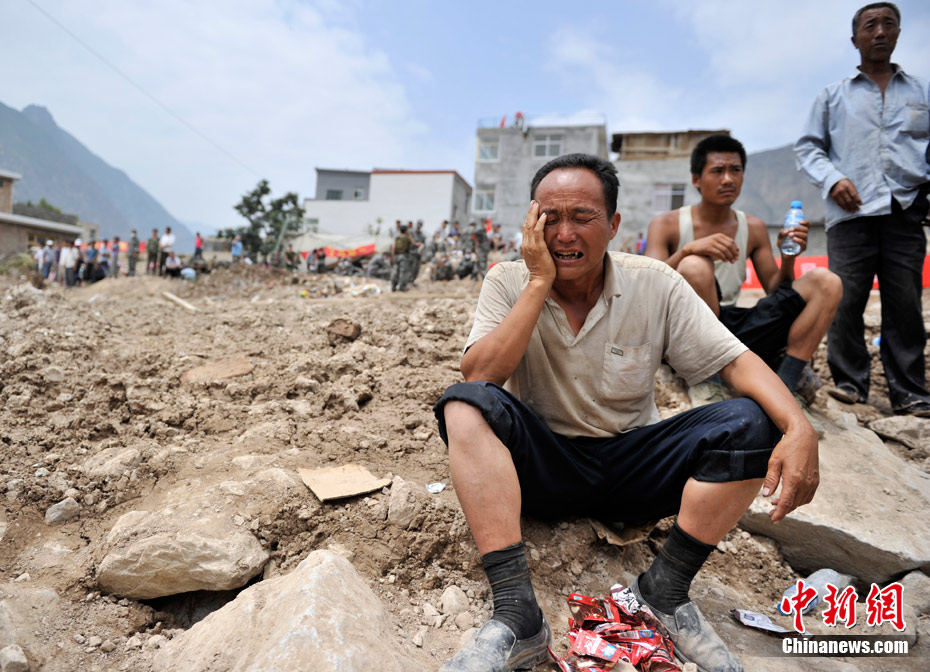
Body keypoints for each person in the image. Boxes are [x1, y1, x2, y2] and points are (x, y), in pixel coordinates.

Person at [433, 154, 819, 672]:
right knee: (465, 404)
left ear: (613, 224)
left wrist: (798, 426)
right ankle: (517, 613)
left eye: (582, 217)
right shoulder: (508, 280)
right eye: (550, 218)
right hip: (543, 467)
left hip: (635, 471)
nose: (564, 233)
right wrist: (539, 282)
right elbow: (480, 375)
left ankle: (665, 590)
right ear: (531, 224)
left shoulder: (655, 283)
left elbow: (734, 362)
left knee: (752, 422)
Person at [794, 2, 930, 416]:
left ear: (899, 33)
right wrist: (834, 180)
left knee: (905, 302)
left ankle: (909, 392)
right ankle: (851, 384)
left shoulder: (921, 92)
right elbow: (808, 148)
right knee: (846, 300)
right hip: (849, 214)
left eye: (889, 24)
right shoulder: (833, 96)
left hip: (906, 210)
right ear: (855, 39)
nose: (880, 31)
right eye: (870, 25)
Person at [646, 134, 842, 401]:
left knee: (827, 281)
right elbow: (648, 285)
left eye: (735, 170)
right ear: (696, 179)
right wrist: (687, 250)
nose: (728, 179)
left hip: (733, 328)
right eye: (718, 171)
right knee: (694, 265)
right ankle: (708, 380)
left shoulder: (753, 227)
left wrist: (788, 256)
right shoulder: (667, 224)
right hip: (685, 334)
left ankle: (787, 380)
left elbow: (776, 290)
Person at [391, 224, 413, 292]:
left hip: (397, 256)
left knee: (395, 271)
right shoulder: (406, 237)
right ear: (406, 231)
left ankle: (393, 286)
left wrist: (393, 256)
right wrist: (409, 235)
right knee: (403, 272)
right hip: (404, 256)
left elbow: (393, 247)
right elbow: (413, 242)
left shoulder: (397, 238)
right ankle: (402, 287)